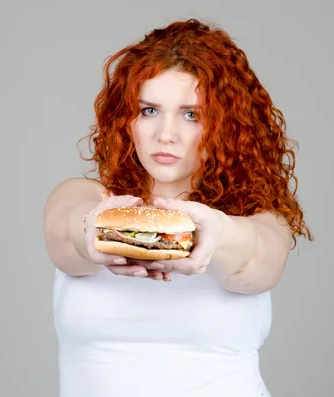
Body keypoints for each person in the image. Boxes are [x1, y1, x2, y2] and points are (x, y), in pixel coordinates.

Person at [44, 18, 312, 397]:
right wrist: (95, 228)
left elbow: (258, 254)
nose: (165, 133)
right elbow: (68, 231)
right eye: (149, 110)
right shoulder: (83, 195)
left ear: (225, 127)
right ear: (126, 120)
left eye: (191, 114)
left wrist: (215, 236)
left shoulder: (263, 220)